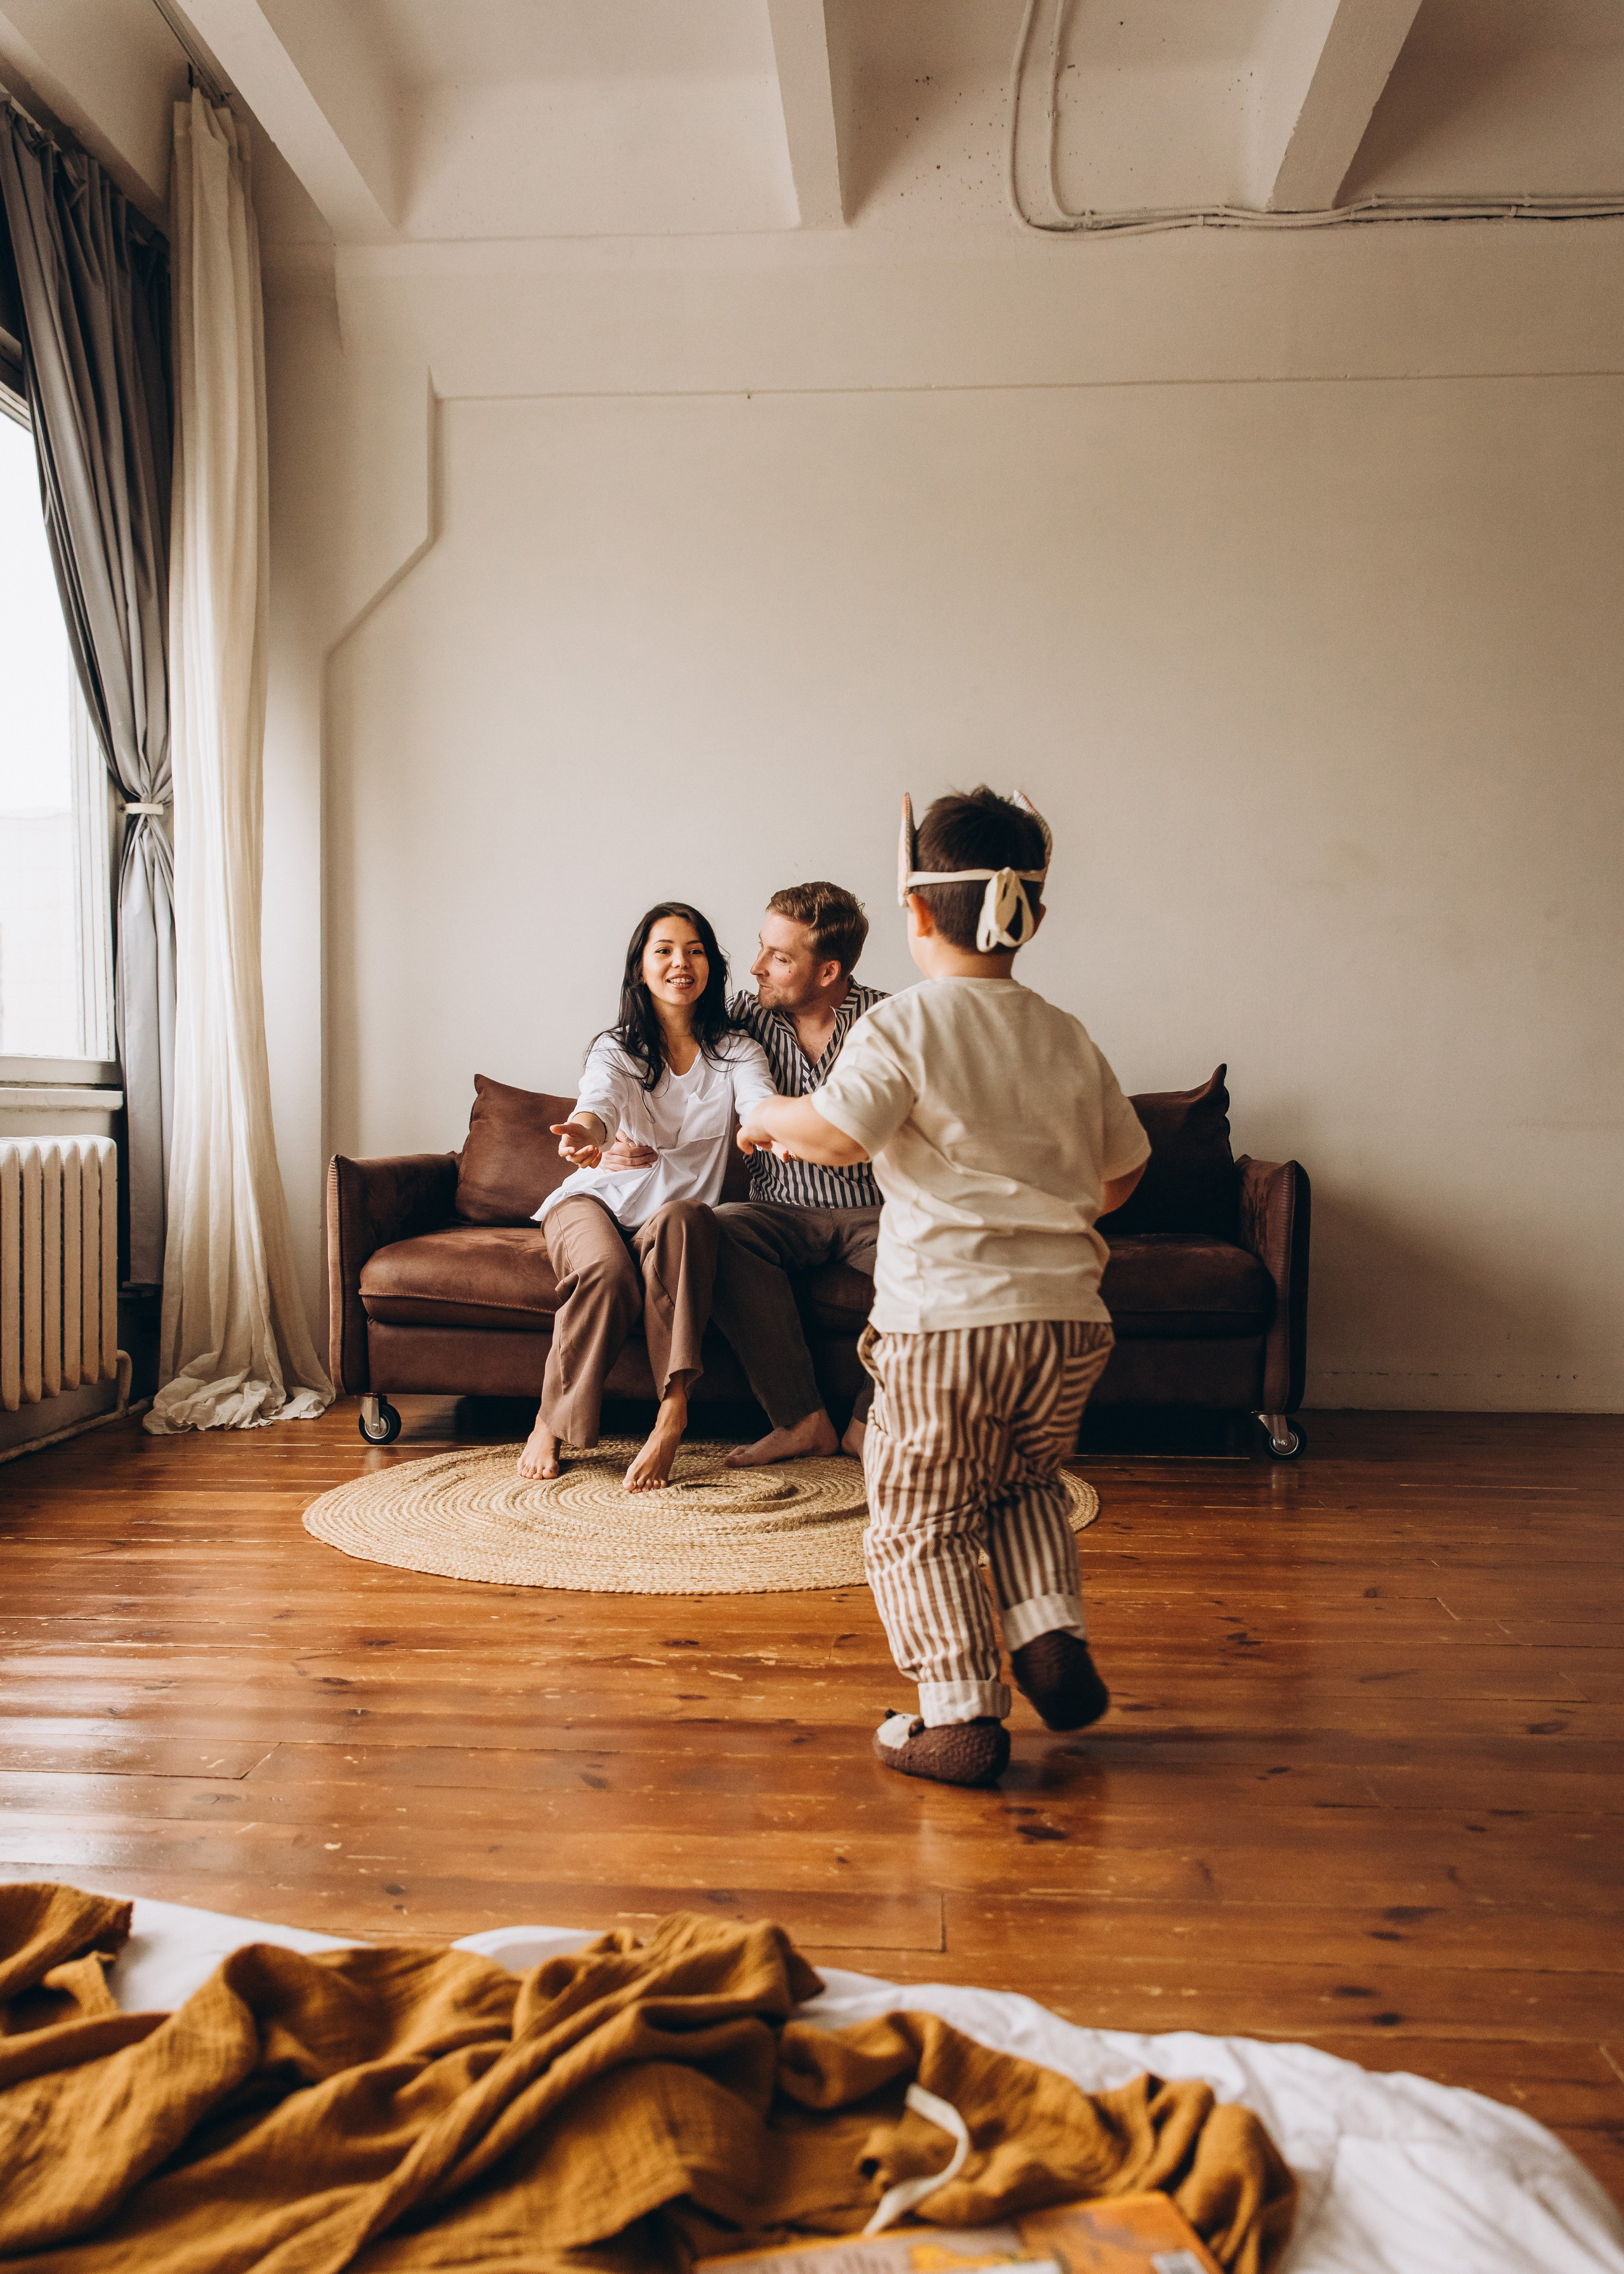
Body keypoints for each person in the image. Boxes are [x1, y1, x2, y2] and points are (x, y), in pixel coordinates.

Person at [735, 787, 1149, 1789]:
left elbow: (838, 1134)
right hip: (1067, 1322)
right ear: (1033, 915)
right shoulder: (1064, 1033)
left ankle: (960, 1715)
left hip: (949, 1324)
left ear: (915, 911)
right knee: (1020, 1483)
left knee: (917, 1516)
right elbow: (1121, 1175)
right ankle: (1047, 1633)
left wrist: (772, 1118)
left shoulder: (904, 1024)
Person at [602, 882, 887, 1469]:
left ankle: (869, 1423)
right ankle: (803, 1422)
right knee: (719, 1228)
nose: (755, 966)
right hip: (778, 1208)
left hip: (877, 1207)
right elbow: (647, 1057)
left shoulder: (889, 1023)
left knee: (941, 1259)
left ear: (829, 971)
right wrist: (610, 1138)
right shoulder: (743, 1018)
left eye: (778, 957)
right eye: (761, 947)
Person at [516, 904, 775, 1494]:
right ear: (640, 967)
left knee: (692, 1217)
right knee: (608, 1274)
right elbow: (599, 1103)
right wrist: (586, 1134)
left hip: (672, 1221)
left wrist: (771, 1127)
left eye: (695, 950)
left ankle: (672, 1413)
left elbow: (758, 1102)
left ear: (712, 966)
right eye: (664, 950)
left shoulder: (738, 1052)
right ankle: (549, 1422)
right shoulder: (617, 1048)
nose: (681, 962)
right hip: (594, 1203)